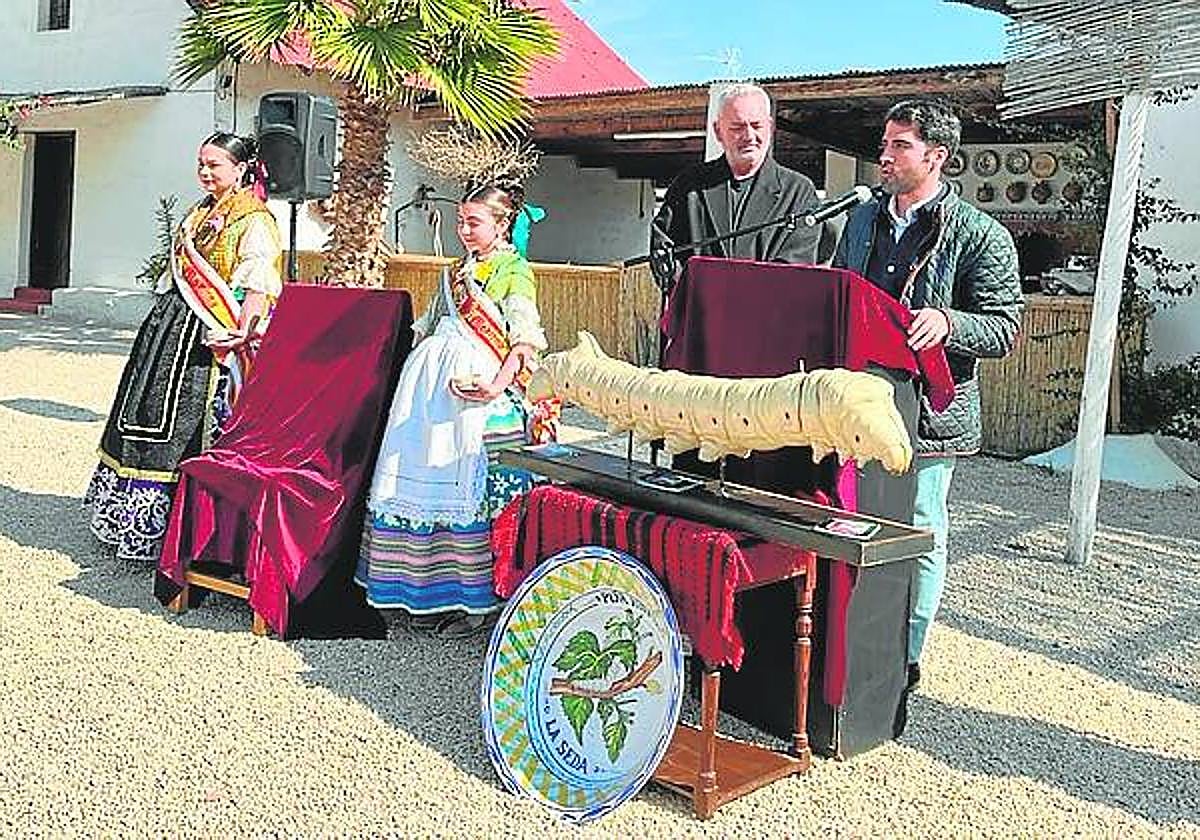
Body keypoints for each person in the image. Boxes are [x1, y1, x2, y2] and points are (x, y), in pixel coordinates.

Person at [833, 100, 1023, 689]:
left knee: (919, 529)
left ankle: (906, 656)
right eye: (884, 144)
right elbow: (841, 294)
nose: (884, 156)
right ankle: (852, 643)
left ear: (937, 157)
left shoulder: (981, 234)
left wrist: (949, 322)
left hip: (932, 413)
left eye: (900, 146)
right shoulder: (862, 221)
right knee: (852, 522)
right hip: (860, 404)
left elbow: (1005, 327)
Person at [356, 183, 555, 638]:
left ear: (501, 224)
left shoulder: (515, 271)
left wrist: (493, 388)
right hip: (429, 397)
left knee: (467, 486)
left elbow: (524, 339)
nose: (464, 229)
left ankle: (476, 604)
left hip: (478, 393)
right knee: (415, 479)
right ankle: (414, 589)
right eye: (461, 220)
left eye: (474, 222)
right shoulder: (454, 272)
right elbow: (425, 326)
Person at [85, 132, 283, 563]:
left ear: (241, 168)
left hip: (207, 336)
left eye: (214, 164)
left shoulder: (254, 219)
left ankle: (183, 532)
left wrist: (243, 334)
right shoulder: (198, 213)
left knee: (188, 425)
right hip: (170, 327)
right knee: (144, 410)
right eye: (201, 163)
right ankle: (130, 521)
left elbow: (257, 283)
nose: (205, 171)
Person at [651, 82, 823, 293]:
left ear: (771, 126)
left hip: (765, 321)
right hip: (698, 317)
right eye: (737, 127)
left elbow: (796, 270)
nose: (749, 136)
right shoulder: (689, 186)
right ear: (718, 131)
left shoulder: (798, 192)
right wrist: (687, 288)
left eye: (756, 125)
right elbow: (663, 250)